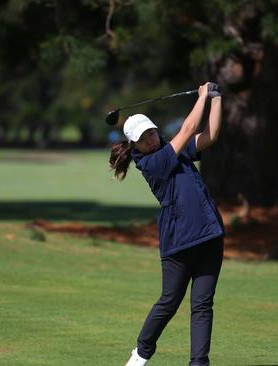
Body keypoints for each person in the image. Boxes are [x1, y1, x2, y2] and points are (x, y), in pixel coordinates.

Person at [109, 82, 224, 366]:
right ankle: (141, 353)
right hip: (179, 243)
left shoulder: (173, 149)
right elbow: (187, 130)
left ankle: (199, 362)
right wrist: (201, 97)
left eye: (151, 132)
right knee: (170, 301)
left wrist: (216, 99)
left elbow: (208, 137)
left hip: (209, 235)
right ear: (133, 145)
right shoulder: (151, 163)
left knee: (202, 304)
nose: (149, 139)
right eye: (142, 138)